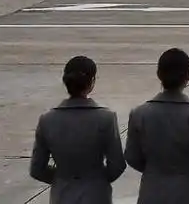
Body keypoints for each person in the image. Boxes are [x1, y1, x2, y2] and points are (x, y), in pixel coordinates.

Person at [123, 48, 189, 203]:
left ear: (159, 74)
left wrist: (154, 171)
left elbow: (133, 157)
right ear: (187, 76)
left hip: (152, 190)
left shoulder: (139, 114)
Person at [29, 55, 126, 203]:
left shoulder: (47, 120)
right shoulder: (106, 118)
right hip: (96, 195)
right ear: (92, 82)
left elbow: (37, 169)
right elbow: (117, 165)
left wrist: (62, 178)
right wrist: (97, 179)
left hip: (62, 194)